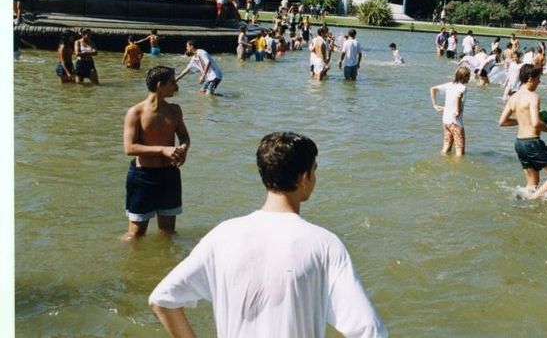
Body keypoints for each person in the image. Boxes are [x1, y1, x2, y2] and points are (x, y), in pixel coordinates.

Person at [149, 132, 387, 337]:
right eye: (314, 169)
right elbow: (369, 330)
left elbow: (162, 299)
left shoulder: (223, 235)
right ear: (303, 178)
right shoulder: (324, 244)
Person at [122, 66, 190, 240]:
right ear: (160, 85)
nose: (176, 87)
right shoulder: (135, 112)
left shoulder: (175, 110)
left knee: (167, 232)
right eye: (172, 83)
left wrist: (183, 149)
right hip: (143, 176)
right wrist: (162, 149)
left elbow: (184, 137)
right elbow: (129, 148)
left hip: (169, 175)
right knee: (136, 234)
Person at [498, 64, 547, 200]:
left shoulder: (513, 97)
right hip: (532, 143)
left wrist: (522, 120)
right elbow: (536, 123)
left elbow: (502, 122)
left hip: (520, 144)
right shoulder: (533, 97)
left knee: (532, 184)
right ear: (530, 79)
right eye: (538, 79)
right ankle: (533, 199)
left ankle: (526, 203)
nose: (539, 82)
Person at [429, 67, 471, 156]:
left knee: (446, 147)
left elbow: (433, 89)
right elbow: (458, 96)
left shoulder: (449, 85)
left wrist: (434, 104)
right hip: (455, 122)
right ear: (465, 77)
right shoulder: (463, 87)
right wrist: (457, 110)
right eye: (468, 76)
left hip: (446, 120)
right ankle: (458, 169)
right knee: (460, 152)